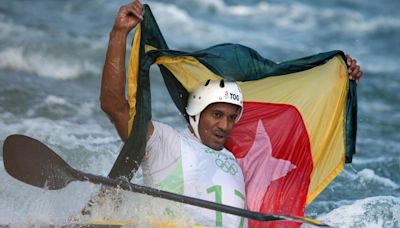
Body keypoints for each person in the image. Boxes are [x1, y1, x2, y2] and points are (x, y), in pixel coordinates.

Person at [99, 0, 363, 227]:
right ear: (195, 113)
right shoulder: (166, 143)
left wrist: (340, 80)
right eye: (216, 114)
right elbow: (114, 106)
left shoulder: (237, 160)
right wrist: (118, 34)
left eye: (232, 117)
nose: (225, 125)